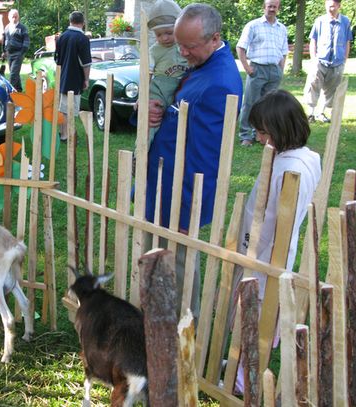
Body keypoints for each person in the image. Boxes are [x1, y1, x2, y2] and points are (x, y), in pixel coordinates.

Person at [145, 3, 243, 318]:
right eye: (179, 44)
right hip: (164, 183)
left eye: (189, 46)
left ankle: (185, 334)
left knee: (181, 268)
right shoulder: (203, 66)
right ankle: (160, 323)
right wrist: (154, 110)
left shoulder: (220, 84)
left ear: (215, 39)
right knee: (161, 262)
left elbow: (205, 158)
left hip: (181, 197)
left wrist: (187, 215)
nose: (182, 53)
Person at [232, 89, 321, 393]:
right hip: (269, 248)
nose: (258, 139)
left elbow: (276, 221)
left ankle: (244, 379)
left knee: (256, 315)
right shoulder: (304, 158)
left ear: (280, 130)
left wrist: (255, 250)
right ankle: (241, 366)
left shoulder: (290, 168)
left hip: (267, 252)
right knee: (259, 310)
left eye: (262, 132)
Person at [236, 0, 288, 147]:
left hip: (274, 70)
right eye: (269, 6)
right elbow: (241, 47)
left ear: (278, 8)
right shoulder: (253, 25)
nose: (272, 9)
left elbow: (284, 51)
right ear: (264, 7)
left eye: (275, 7)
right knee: (250, 103)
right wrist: (247, 67)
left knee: (270, 105)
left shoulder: (281, 28)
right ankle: (246, 135)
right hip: (257, 69)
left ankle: (265, 134)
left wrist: (280, 69)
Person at [147, 0, 189, 144]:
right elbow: (147, 74)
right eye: (158, 35)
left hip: (182, 88)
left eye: (169, 33)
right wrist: (144, 97)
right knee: (151, 122)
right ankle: (140, 152)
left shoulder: (186, 45)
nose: (164, 38)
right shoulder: (154, 51)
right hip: (161, 89)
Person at [304, 0, 352, 123]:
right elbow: (313, 40)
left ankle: (322, 113)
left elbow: (347, 42)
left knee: (331, 90)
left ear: (338, 6)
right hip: (320, 61)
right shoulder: (319, 21)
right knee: (313, 86)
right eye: (328, 6)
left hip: (337, 63)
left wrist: (344, 61)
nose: (330, 9)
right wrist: (313, 59)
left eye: (333, 7)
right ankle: (311, 113)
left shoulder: (345, 22)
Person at [54, 11, 92, 142]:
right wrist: (86, 79)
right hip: (75, 77)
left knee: (63, 106)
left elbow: (57, 59)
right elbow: (86, 63)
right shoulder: (83, 39)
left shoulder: (62, 37)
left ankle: (64, 132)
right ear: (83, 23)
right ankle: (67, 135)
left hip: (62, 76)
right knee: (69, 108)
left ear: (70, 21)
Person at [2, 9, 30, 92]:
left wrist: (22, 52)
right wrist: (3, 51)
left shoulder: (22, 28)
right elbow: (4, 39)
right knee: (14, 73)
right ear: (9, 17)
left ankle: (11, 93)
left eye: (16, 16)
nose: (14, 18)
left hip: (18, 54)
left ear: (18, 17)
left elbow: (26, 41)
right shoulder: (7, 27)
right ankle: (19, 90)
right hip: (9, 54)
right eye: (12, 16)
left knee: (13, 74)